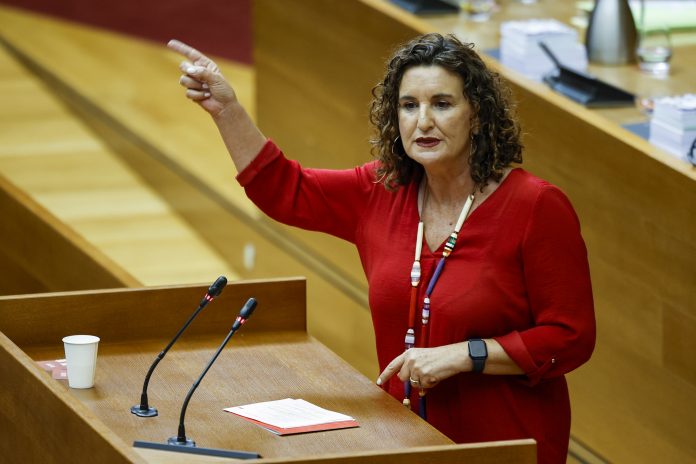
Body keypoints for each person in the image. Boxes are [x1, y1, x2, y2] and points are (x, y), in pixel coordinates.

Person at [168, 33, 595, 464]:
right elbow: (283, 189)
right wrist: (227, 110)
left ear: (478, 115)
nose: (423, 122)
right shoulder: (381, 190)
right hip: (404, 439)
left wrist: (465, 355)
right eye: (409, 105)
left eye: (442, 104)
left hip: (505, 447)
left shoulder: (536, 206)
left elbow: (571, 337)